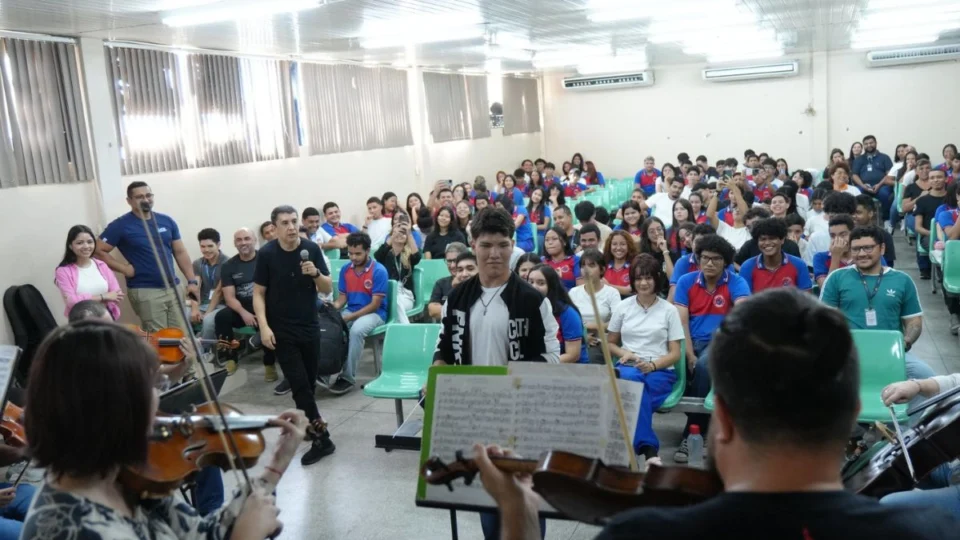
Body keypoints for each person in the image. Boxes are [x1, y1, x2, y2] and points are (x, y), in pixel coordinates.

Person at [474, 288, 959, 540]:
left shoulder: (644, 536)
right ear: (852, 409)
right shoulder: (924, 533)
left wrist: (518, 515)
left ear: (720, 416)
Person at [20, 320, 311, 539]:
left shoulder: (129, 473)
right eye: (153, 386)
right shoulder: (70, 528)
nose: (159, 398)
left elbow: (202, 533)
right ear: (113, 408)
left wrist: (276, 466)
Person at [253, 205, 335, 465]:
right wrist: (264, 327)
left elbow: (326, 287)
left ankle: (309, 425)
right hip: (282, 331)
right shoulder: (266, 254)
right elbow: (258, 293)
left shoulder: (310, 249)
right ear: (274, 228)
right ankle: (324, 440)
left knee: (308, 385)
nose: (291, 227)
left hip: (309, 326)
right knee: (300, 386)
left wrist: (316, 273)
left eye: (293, 221)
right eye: (285, 223)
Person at [820, 225, 936, 392]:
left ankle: (907, 417)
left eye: (867, 248)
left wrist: (906, 341)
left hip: (890, 352)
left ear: (882, 248)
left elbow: (914, 321)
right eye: (856, 249)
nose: (861, 254)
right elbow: (824, 319)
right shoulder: (837, 278)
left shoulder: (902, 280)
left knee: (927, 378)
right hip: (849, 351)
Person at [673, 234, 750, 463]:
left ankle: (692, 431)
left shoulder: (736, 282)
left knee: (706, 366)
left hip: (721, 341)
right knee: (695, 366)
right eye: (705, 258)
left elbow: (741, 313)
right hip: (690, 339)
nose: (709, 263)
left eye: (716, 259)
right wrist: (688, 352)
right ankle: (702, 430)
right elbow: (682, 321)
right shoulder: (686, 281)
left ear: (725, 261)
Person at [607, 253, 684, 459]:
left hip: (659, 370)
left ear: (657, 279)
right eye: (639, 278)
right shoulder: (623, 307)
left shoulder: (669, 310)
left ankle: (630, 449)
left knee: (632, 395)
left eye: (648, 278)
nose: (643, 283)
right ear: (632, 280)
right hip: (630, 366)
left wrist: (652, 365)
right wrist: (626, 353)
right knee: (633, 381)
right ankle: (649, 451)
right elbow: (610, 343)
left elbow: (675, 353)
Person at [96, 181, 200, 332]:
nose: (145, 199)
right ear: (129, 201)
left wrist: (191, 280)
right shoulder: (121, 225)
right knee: (159, 339)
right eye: (139, 197)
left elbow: (180, 252)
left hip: (174, 288)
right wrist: (124, 269)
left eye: (148, 195)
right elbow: (98, 250)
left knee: (181, 335)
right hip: (146, 291)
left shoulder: (167, 221)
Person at [880, 372, 960, 518]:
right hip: (954, 468)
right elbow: (955, 382)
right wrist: (916, 385)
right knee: (896, 461)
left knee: (891, 505)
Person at [215, 228, 279, 384]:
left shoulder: (266, 259)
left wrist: (259, 312)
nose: (243, 243)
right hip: (241, 309)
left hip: (265, 307)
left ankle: (269, 364)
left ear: (254, 240)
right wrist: (244, 313)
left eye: (247, 238)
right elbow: (229, 297)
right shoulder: (228, 266)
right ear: (235, 243)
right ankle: (231, 359)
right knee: (221, 317)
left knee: (267, 323)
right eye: (239, 240)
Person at [332, 232, 388, 395]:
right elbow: (342, 299)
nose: (353, 257)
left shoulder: (379, 271)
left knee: (356, 330)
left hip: (376, 313)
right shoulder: (345, 269)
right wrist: (333, 308)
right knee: (332, 327)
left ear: (368, 251)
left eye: (358, 253)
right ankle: (326, 372)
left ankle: (348, 377)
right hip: (352, 309)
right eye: (350, 253)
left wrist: (350, 317)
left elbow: (374, 305)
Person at [55, 225, 123, 321]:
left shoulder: (101, 265)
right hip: (83, 322)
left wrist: (86, 299)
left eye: (90, 242)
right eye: (79, 243)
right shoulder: (63, 271)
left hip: (107, 318)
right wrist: (104, 296)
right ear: (70, 246)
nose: (86, 246)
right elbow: (72, 302)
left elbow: (117, 294)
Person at [569, 249, 621, 364]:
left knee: (589, 358)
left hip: (600, 342)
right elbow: (568, 322)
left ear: (602, 269)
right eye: (583, 265)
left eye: (591, 265)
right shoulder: (573, 292)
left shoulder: (612, 293)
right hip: (577, 340)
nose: (586, 269)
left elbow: (617, 323)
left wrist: (592, 326)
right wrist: (583, 334)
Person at [527, 265, 587, 364]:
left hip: (570, 370)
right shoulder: (525, 308)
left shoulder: (567, 313)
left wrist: (538, 365)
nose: (534, 287)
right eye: (531, 282)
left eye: (541, 283)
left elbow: (573, 355)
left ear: (551, 286)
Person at [738, 218, 813, 293]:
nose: (767, 243)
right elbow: (744, 301)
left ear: (782, 240)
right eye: (763, 239)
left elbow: (806, 299)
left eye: (772, 238)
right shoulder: (747, 267)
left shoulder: (798, 264)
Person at [375, 211, 421, 323]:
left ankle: (403, 332)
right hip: (388, 294)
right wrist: (393, 235)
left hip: (406, 296)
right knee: (394, 301)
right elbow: (377, 255)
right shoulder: (386, 254)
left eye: (403, 233)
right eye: (398, 233)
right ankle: (404, 331)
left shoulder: (409, 255)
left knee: (396, 302)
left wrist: (409, 233)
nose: (401, 235)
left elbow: (417, 256)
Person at [190, 228, 227, 349]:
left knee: (208, 320)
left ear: (218, 245)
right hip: (203, 303)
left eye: (210, 246)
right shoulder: (197, 263)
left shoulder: (228, 263)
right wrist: (195, 308)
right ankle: (189, 346)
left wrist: (207, 313)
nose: (206, 250)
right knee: (183, 314)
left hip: (222, 304)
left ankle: (203, 350)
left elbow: (218, 292)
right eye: (203, 246)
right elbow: (194, 286)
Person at [851, 135, 895, 230]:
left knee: (885, 194)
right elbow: (854, 175)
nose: (869, 145)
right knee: (856, 193)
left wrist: (879, 185)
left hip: (882, 186)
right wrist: (863, 186)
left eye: (871, 143)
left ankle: (886, 219)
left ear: (876, 143)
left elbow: (889, 175)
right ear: (864, 146)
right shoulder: (859, 159)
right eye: (866, 144)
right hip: (864, 186)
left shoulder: (884, 157)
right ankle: (859, 219)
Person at [913, 167, 948, 281]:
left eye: (939, 177)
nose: (936, 180)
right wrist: (934, 235)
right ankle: (943, 273)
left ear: (946, 179)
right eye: (932, 178)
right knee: (943, 250)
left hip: (950, 234)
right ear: (928, 181)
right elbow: (918, 227)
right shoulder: (922, 201)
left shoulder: (952, 199)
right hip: (929, 237)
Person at [668, 223, 716, 302]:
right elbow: (673, 296)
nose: (699, 246)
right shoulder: (682, 262)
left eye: (704, 242)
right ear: (692, 243)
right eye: (697, 242)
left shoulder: (723, 262)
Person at [428, 242, 471, 320]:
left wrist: (445, 310)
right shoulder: (441, 283)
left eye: (455, 261)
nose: (452, 265)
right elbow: (432, 310)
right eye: (449, 261)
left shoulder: (476, 282)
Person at [707, 181, 753, 251]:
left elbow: (745, 213)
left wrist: (734, 189)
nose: (737, 210)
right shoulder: (724, 228)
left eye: (739, 209)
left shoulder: (750, 230)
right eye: (735, 209)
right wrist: (717, 192)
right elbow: (709, 215)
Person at [854, 194, 897, 268]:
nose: (854, 216)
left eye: (858, 213)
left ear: (870, 213)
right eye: (851, 212)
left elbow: (888, 266)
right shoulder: (847, 234)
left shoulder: (884, 236)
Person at [813, 215, 856, 287]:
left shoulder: (865, 255)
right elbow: (826, 288)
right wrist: (835, 256)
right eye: (833, 236)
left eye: (843, 235)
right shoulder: (820, 257)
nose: (837, 240)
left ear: (853, 234)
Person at [638, 217, 675, 289]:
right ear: (646, 235)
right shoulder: (642, 256)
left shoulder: (672, 253)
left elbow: (672, 279)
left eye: (659, 229)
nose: (657, 233)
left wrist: (665, 252)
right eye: (652, 231)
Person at [541, 227, 581, 291]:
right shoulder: (542, 261)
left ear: (564, 242)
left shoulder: (576, 260)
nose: (550, 243)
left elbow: (580, 290)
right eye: (547, 240)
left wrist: (558, 281)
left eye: (554, 239)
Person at [603, 230, 640, 298]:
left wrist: (607, 286)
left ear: (629, 246)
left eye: (623, 244)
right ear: (609, 246)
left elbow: (630, 290)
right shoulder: (604, 265)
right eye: (614, 244)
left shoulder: (635, 265)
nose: (618, 248)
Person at [527, 187, 552, 252]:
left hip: (539, 234)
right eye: (535, 193)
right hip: (527, 233)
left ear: (542, 198)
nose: (536, 196)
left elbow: (545, 226)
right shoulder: (526, 209)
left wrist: (532, 227)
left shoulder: (546, 209)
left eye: (539, 195)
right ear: (532, 194)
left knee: (539, 239)